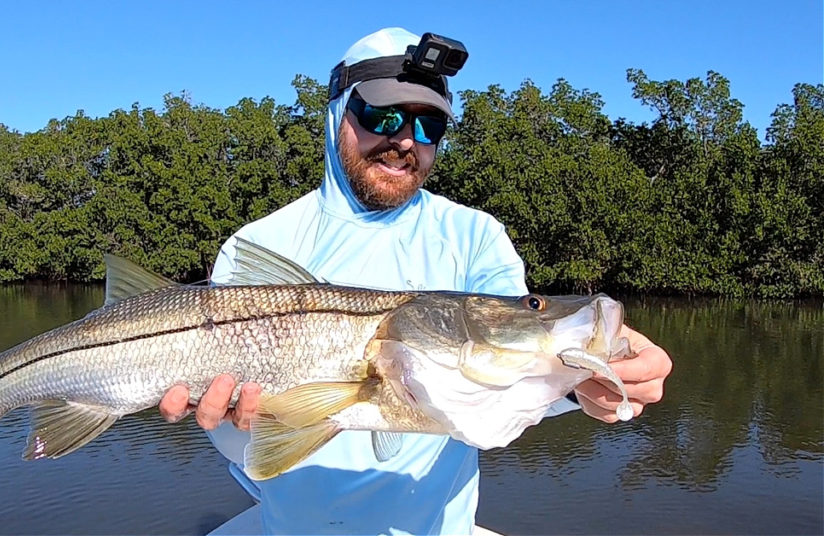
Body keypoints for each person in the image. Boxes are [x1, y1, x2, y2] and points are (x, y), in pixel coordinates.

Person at [159, 27, 673, 535]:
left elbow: (504, 372)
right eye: (382, 116)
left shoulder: (474, 236)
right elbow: (245, 439)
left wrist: (587, 382)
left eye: (429, 127)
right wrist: (231, 425)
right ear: (337, 113)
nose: (405, 140)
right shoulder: (257, 246)